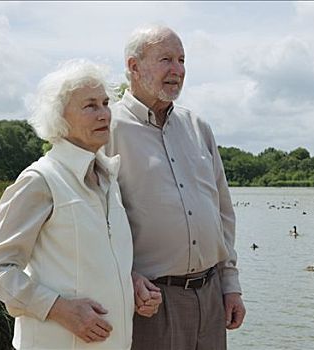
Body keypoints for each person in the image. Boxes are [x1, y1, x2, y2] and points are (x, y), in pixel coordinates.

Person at [0, 59, 147, 349]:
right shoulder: (40, 180)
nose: (104, 113)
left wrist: (131, 283)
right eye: (90, 105)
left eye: (106, 103)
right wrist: (60, 309)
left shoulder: (108, 178)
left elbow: (90, 260)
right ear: (60, 118)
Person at [105, 25, 246, 350]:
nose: (178, 70)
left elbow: (223, 211)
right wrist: (127, 279)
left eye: (182, 60)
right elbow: (94, 221)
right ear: (133, 67)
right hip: (149, 302)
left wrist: (230, 284)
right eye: (166, 59)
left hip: (211, 298)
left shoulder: (198, 127)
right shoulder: (106, 129)